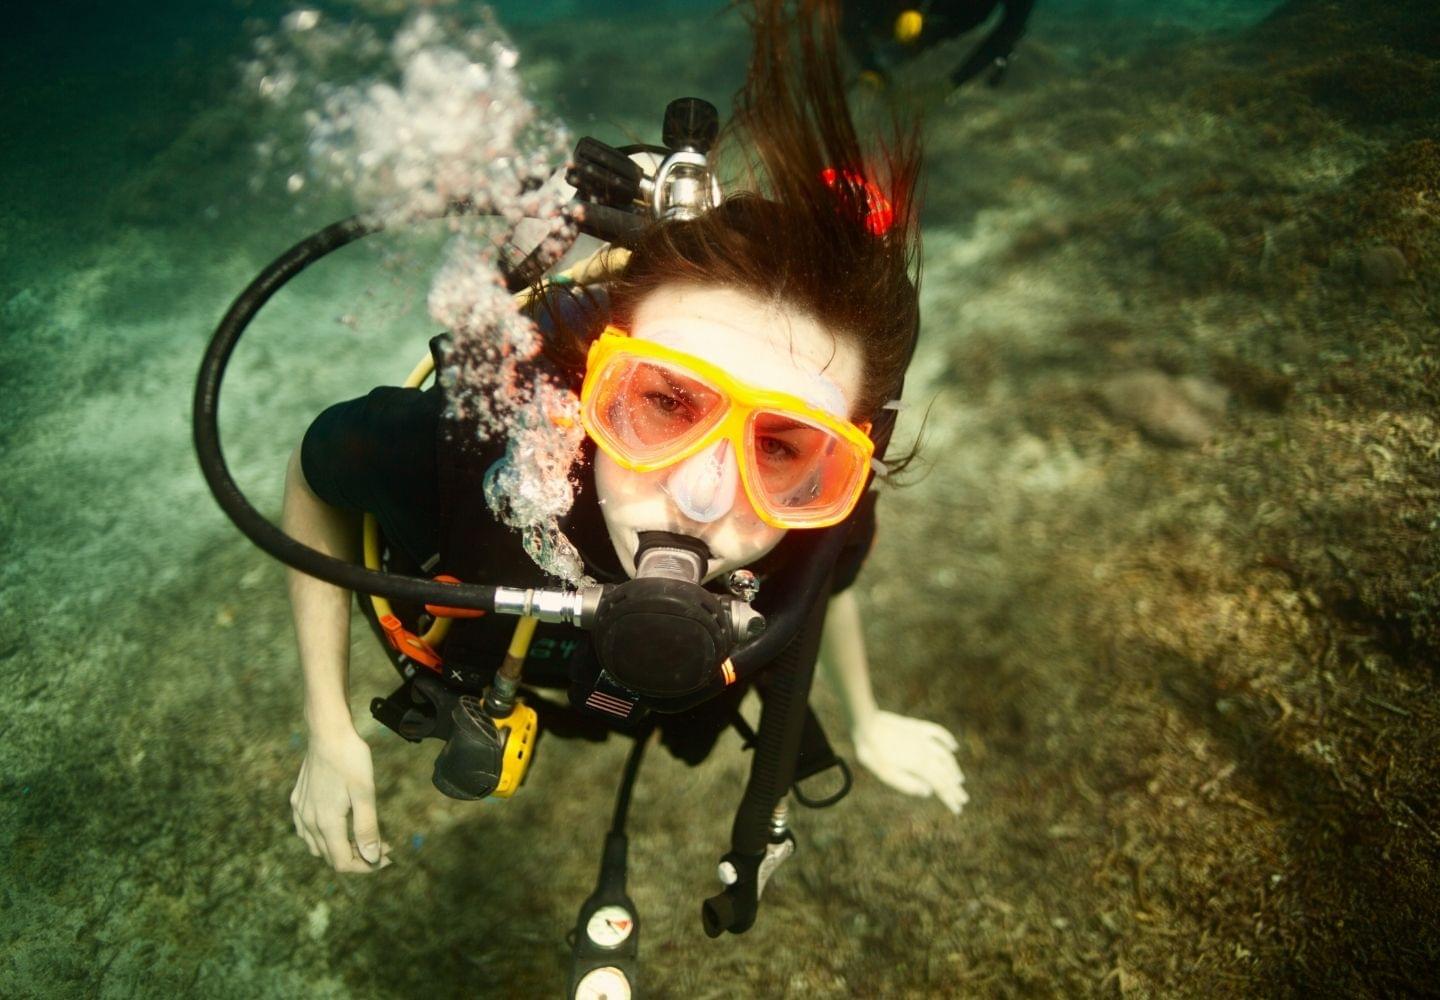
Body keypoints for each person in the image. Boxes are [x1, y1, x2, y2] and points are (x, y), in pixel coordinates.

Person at [282, 0, 967, 877]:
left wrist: (865, 720)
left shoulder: (813, 514)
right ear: (591, 380)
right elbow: (315, 472)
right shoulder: (479, 450)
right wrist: (327, 724)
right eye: (668, 404)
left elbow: (824, 587)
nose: (705, 494)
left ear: (834, 461)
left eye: (783, 447)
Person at [841, 0, 1036, 91]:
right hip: (903, 12)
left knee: (888, 58)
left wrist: (951, 84)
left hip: (952, 18)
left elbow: (1009, 30)